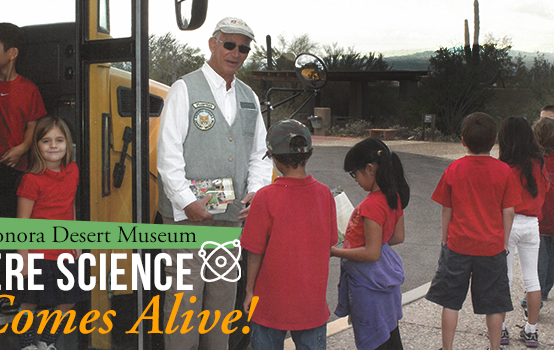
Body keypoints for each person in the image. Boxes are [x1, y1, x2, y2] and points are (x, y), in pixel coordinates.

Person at [156, 17, 272, 350]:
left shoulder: (249, 97)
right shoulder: (185, 88)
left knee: (221, 301)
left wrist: (255, 193)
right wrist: (186, 201)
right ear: (212, 44)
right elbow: (168, 154)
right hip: (186, 218)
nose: (236, 53)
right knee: (184, 302)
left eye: (243, 48)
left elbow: (260, 154)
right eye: (230, 44)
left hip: (230, 217)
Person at [426, 112, 522, 350]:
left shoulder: (454, 169)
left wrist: (444, 240)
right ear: (494, 141)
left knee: (451, 302)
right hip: (491, 246)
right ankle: (494, 347)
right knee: (495, 303)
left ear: (463, 140)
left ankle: (447, 347)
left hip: (458, 244)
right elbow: (508, 211)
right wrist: (504, 242)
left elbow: (446, 209)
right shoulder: (503, 171)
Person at [240, 119, 338, 350]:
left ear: (274, 158)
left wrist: (249, 291)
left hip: (269, 303)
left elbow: (253, 251)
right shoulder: (325, 194)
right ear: (309, 154)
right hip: (311, 303)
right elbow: (330, 243)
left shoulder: (264, 197)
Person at [14, 116, 87, 350]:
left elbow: (71, 206)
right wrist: (23, 257)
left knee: (70, 299)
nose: (53, 146)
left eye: (59, 140)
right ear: (36, 146)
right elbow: (21, 223)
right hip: (37, 253)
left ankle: (46, 341)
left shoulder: (73, 171)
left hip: (64, 250)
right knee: (30, 302)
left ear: (68, 145)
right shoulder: (31, 180)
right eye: (46, 141)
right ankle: (27, 345)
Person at [330, 138, 409, 350]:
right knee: (389, 334)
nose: (355, 180)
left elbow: (372, 253)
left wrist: (335, 251)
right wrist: (375, 238)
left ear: (370, 169)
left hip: (367, 284)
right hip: (386, 281)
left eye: (354, 174)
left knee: (372, 339)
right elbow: (397, 237)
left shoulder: (372, 205)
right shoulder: (393, 196)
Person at [497, 117, 548, 347]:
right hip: (531, 224)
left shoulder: (504, 167)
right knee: (532, 279)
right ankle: (531, 330)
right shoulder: (539, 163)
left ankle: (501, 329)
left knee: (504, 279)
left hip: (508, 223)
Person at [0, 22, 47, 218]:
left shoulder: (28, 89)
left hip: (14, 166)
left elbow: (34, 124)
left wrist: (22, 148)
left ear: (12, 53)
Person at [533, 118, 554, 304]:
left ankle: (536, 295)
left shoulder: (535, 162)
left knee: (540, 261)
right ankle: (544, 290)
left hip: (538, 219)